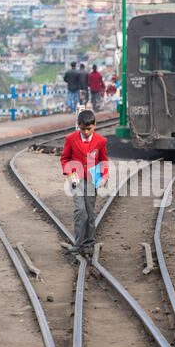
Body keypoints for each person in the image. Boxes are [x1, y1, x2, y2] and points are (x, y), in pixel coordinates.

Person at [60, 110, 109, 258]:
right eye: (83, 129)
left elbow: (103, 160)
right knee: (80, 210)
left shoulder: (101, 141)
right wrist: (70, 174)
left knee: (89, 211)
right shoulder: (71, 139)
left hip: (92, 179)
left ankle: (89, 244)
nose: (86, 132)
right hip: (76, 178)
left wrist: (104, 176)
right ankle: (78, 243)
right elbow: (65, 158)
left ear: (95, 125)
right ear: (78, 126)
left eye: (89, 129)